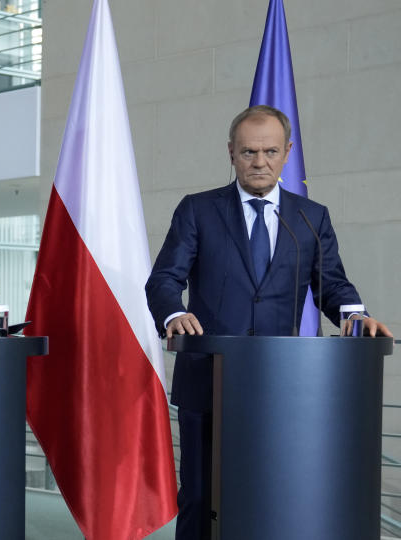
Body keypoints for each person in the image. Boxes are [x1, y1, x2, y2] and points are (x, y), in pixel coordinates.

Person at [145, 104, 392, 540]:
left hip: (285, 389)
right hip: (210, 383)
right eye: (248, 152)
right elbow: (164, 279)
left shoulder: (310, 218)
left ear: (287, 153)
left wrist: (356, 316)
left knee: (274, 495)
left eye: (270, 151)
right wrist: (174, 313)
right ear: (230, 152)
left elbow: (331, 283)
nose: (259, 162)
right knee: (202, 498)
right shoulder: (198, 210)